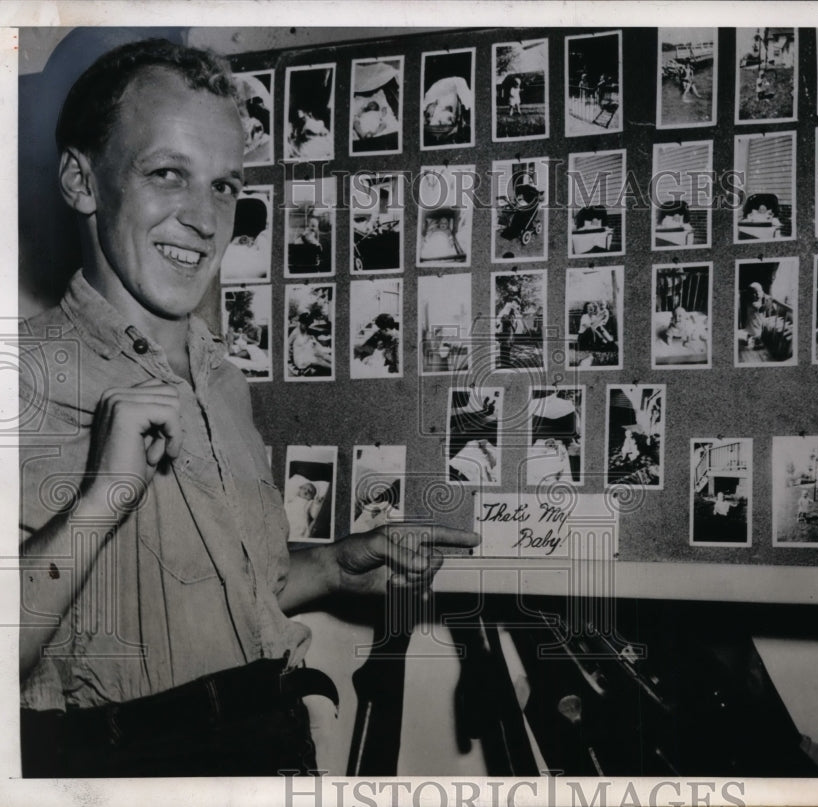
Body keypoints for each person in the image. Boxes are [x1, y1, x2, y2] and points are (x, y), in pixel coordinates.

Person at [18, 39, 477, 778]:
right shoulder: (21, 373)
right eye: (168, 174)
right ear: (81, 180)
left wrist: (330, 566)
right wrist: (103, 497)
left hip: (273, 745)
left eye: (225, 186)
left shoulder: (221, 375)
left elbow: (209, 599)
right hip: (129, 769)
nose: (205, 219)